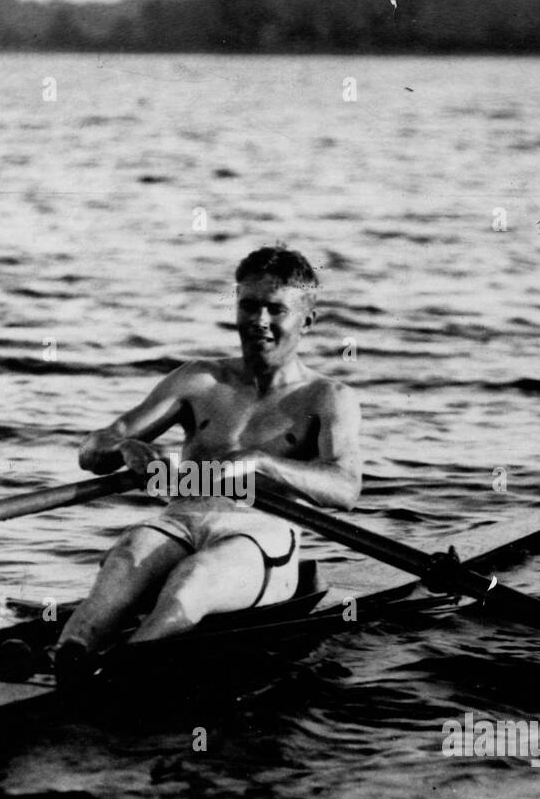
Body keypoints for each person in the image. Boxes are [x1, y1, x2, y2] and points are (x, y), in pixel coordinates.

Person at [53, 246, 362, 681]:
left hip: (261, 535)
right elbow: (93, 449)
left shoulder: (328, 398)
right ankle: (66, 659)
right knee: (124, 557)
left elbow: (346, 489)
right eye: (249, 305)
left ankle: (120, 675)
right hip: (180, 521)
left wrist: (262, 463)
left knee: (193, 578)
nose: (259, 321)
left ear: (307, 321)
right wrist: (124, 449)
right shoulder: (199, 379)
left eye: (276, 309)